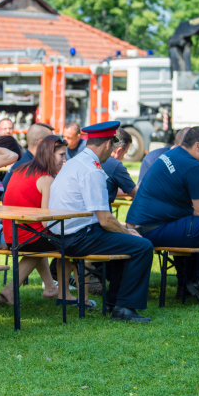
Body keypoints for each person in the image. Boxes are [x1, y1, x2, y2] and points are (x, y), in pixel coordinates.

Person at [49, 121, 155, 323]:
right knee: (143, 246)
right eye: (113, 147)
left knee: (127, 245)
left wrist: (121, 231)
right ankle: (124, 308)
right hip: (77, 237)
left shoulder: (73, 162)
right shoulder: (93, 170)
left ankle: (114, 302)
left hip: (59, 235)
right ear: (107, 144)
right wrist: (128, 231)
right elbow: (105, 220)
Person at [127, 126, 199, 305]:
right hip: (151, 229)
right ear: (198, 146)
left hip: (140, 225)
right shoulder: (191, 165)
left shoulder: (173, 154)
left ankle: (189, 283)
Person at [0, 135, 71, 307]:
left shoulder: (20, 169)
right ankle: (66, 294)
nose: (65, 160)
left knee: (41, 240)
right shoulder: (46, 179)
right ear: (49, 154)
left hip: (11, 233)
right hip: (28, 236)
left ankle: (50, 287)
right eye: (61, 155)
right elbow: (48, 222)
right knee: (70, 243)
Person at [1, 122, 54, 190]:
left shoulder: (24, 162)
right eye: (51, 142)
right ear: (41, 143)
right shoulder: (30, 167)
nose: (53, 146)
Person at [103, 127, 137, 202]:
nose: (123, 158)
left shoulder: (93, 157)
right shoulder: (115, 165)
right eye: (124, 153)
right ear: (119, 150)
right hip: (102, 212)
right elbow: (136, 194)